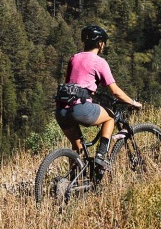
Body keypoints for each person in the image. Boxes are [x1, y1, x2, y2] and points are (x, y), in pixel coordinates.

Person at [56, 25, 141, 170]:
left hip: (61, 110)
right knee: (110, 117)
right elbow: (115, 91)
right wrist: (133, 102)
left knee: (77, 148)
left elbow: (71, 83)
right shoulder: (99, 62)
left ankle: (73, 182)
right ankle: (101, 156)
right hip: (80, 109)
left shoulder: (74, 58)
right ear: (100, 43)